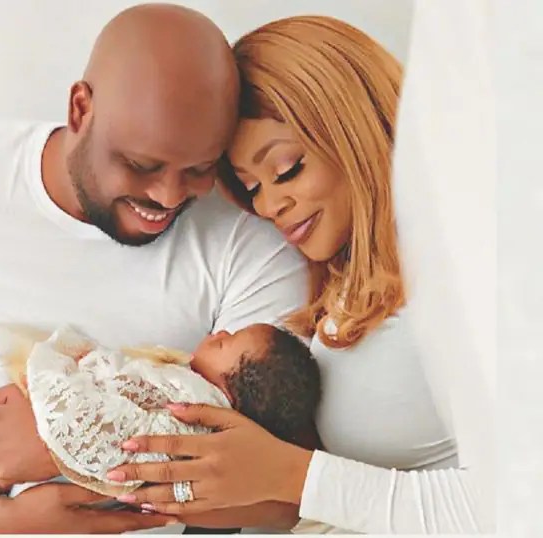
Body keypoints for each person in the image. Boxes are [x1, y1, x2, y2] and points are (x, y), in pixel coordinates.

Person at [0, 4, 307, 534]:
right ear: (80, 108)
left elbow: (285, 491)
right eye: (141, 165)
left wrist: (69, 443)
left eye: (199, 169)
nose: (167, 196)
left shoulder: (249, 246)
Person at [102, 15, 494, 534]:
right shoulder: (344, 285)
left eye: (287, 169)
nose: (270, 206)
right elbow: (352, 495)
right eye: (252, 188)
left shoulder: (467, 267)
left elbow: (516, 502)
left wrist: (294, 475)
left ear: (355, 129)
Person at [0, 323, 319, 500]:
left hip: (66, 444)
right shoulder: (186, 383)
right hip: (46, 442)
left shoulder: (195, 407)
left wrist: (58, 376)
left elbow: (120, 440)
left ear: (231, 390)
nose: (216, 334)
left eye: (224, 342)